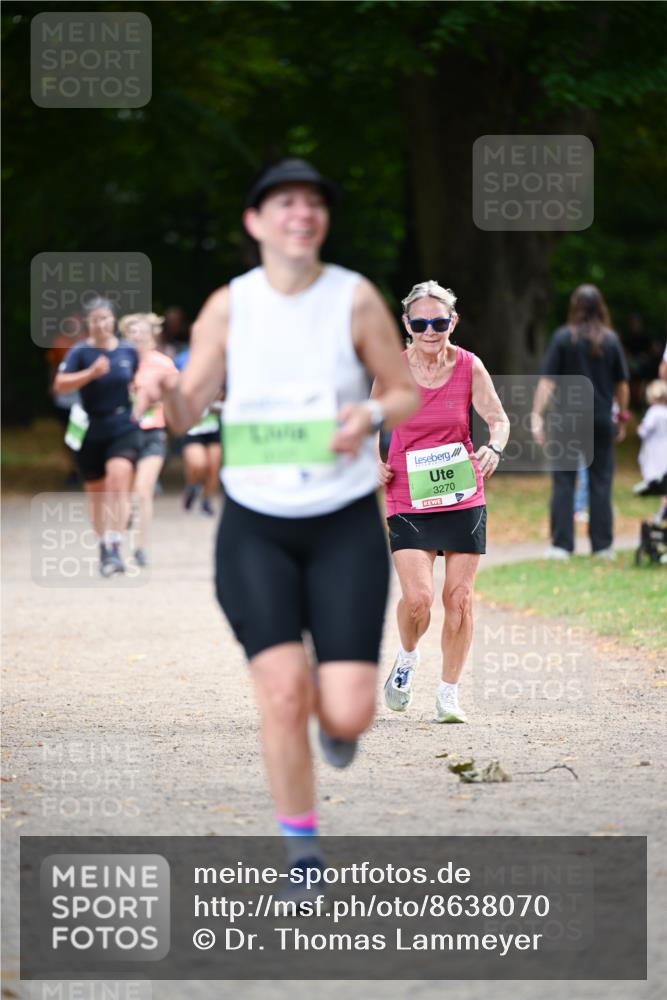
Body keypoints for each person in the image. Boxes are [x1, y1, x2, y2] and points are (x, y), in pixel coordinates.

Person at [151, 157, 419, 875]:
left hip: (342, 527)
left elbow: (401, 392)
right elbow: (185, 411)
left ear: (322, 221)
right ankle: (302, 851)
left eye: (313, 204)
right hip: (256, 526)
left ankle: (339, 727)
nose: (300, 214)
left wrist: (366, 412)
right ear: (255, 221)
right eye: (285, 203)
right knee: (280, 689)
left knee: (347, 711)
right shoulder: (228, 306)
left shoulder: (354, 298)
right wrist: (166, 387)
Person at [378, 280, 509, 724]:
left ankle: (449, 693)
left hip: (461, 492)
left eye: (438, 322)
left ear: (452, 321)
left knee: (460, 598)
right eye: (420, 323)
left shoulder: (470, 366)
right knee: (418, 599)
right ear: (406, 325)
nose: (430, 331)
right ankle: (408, 658)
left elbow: (498, 419)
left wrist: (494, 447)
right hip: (407, 493)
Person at [532, 284, 630, 559]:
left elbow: (548, 382)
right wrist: (622, 415)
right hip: (600, 420)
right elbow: (622, 384)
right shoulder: (611, 340)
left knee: (564, 481)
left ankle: (561, 546)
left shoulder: (563, 338)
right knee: (601, 481)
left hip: (566, 421)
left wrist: (537, 415)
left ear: (574, 307)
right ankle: (603, 546)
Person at [53, 297, 140, 576]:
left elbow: (143, 380)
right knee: (97, 493)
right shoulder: (80, 352)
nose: (101, 324)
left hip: (122, 425)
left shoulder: (128, 351)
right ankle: (103, 545)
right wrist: (90, 373)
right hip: (91, 427)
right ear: (88, 324)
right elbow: (60, 385)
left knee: (119, 477)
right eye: (95, 320)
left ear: (113, 321)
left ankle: (116, 545)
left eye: (105, 319)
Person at [120, 312, 178, 566]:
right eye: (131, 332)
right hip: (120, 434)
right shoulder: (116, 361)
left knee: (142, 491)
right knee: (122, 493)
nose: (137, 336)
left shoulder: (163, 364)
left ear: (152, 334)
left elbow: (178, 396)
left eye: (141, 331)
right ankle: (114, 546)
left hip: (152, 432)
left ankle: (140, 547)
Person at [173, 346, 222, 516]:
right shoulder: (183, 360)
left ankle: (207, 501)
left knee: (214, 465)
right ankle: (192, 486)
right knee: (199, 464)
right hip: (192, 424)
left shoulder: (218, 362)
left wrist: (217, 399)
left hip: (213, 423)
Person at [634, 380, 667, 499]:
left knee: (653, 471)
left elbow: (645, 430)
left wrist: (639, 430)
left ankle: (653, 488)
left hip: (654, 448)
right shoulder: (665, 411)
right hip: (665, 446)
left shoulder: (653, 412)